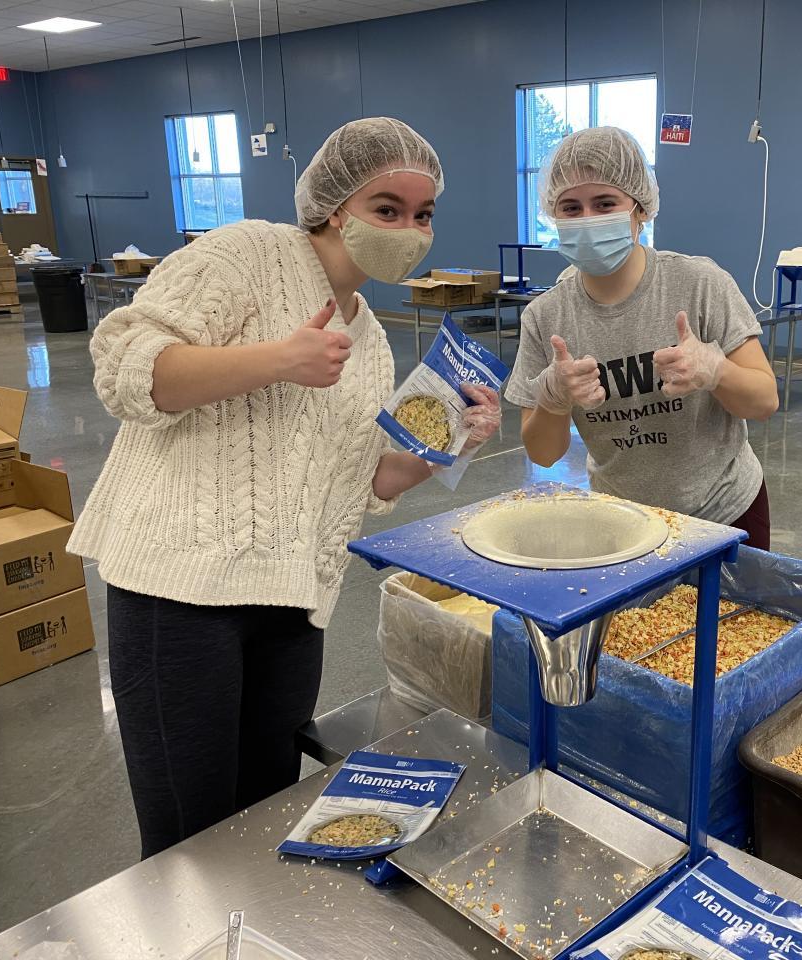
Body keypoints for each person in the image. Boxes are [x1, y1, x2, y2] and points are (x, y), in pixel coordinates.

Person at [68, 118, 501, 859]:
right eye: (387, 208)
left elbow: (366, 479)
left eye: (423, 215)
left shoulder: (369, 338)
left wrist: (447, 445)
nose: (409, 231)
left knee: (263, 815)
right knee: (187, 840)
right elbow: (126, 369)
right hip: (181, 594)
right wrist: (278, 359)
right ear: (333, 207)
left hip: (291, 605)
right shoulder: (247, 255)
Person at [504, 127, 779, 548]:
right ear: (552, 215)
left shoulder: (700, 284)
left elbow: (764, 401)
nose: (588, 219)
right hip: (623, 521)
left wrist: (716, 371)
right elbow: (543, 453)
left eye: (605, 203)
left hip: (725, 511)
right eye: (571, 207)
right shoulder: (545, 317)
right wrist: (553, 401)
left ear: (641, 209)